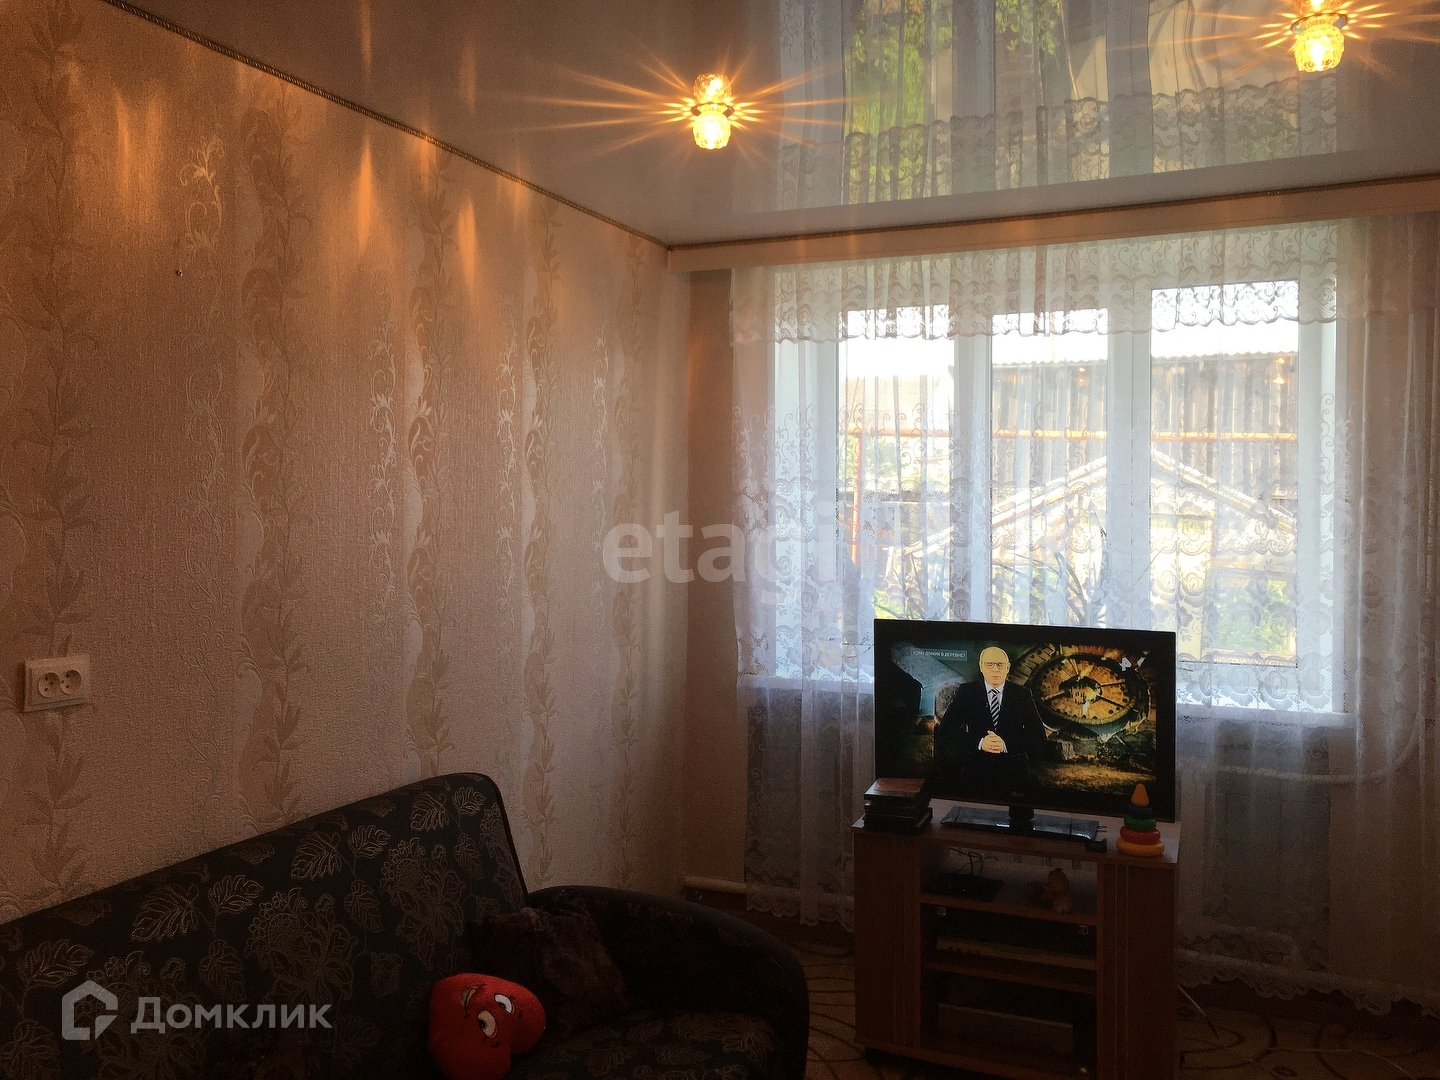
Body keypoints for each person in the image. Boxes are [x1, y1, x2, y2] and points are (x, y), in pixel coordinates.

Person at [928, 646, 1047, 801]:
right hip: (975, 774)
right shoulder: (967, 692)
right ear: (981, 666)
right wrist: (979, 743)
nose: (995, 669)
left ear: (1008, 667)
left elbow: (1039, 735)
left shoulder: (1022, 694)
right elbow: (947, 728)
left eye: (1000, 665)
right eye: (990, 664)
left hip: (1014, 775)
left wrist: (1005, 745)